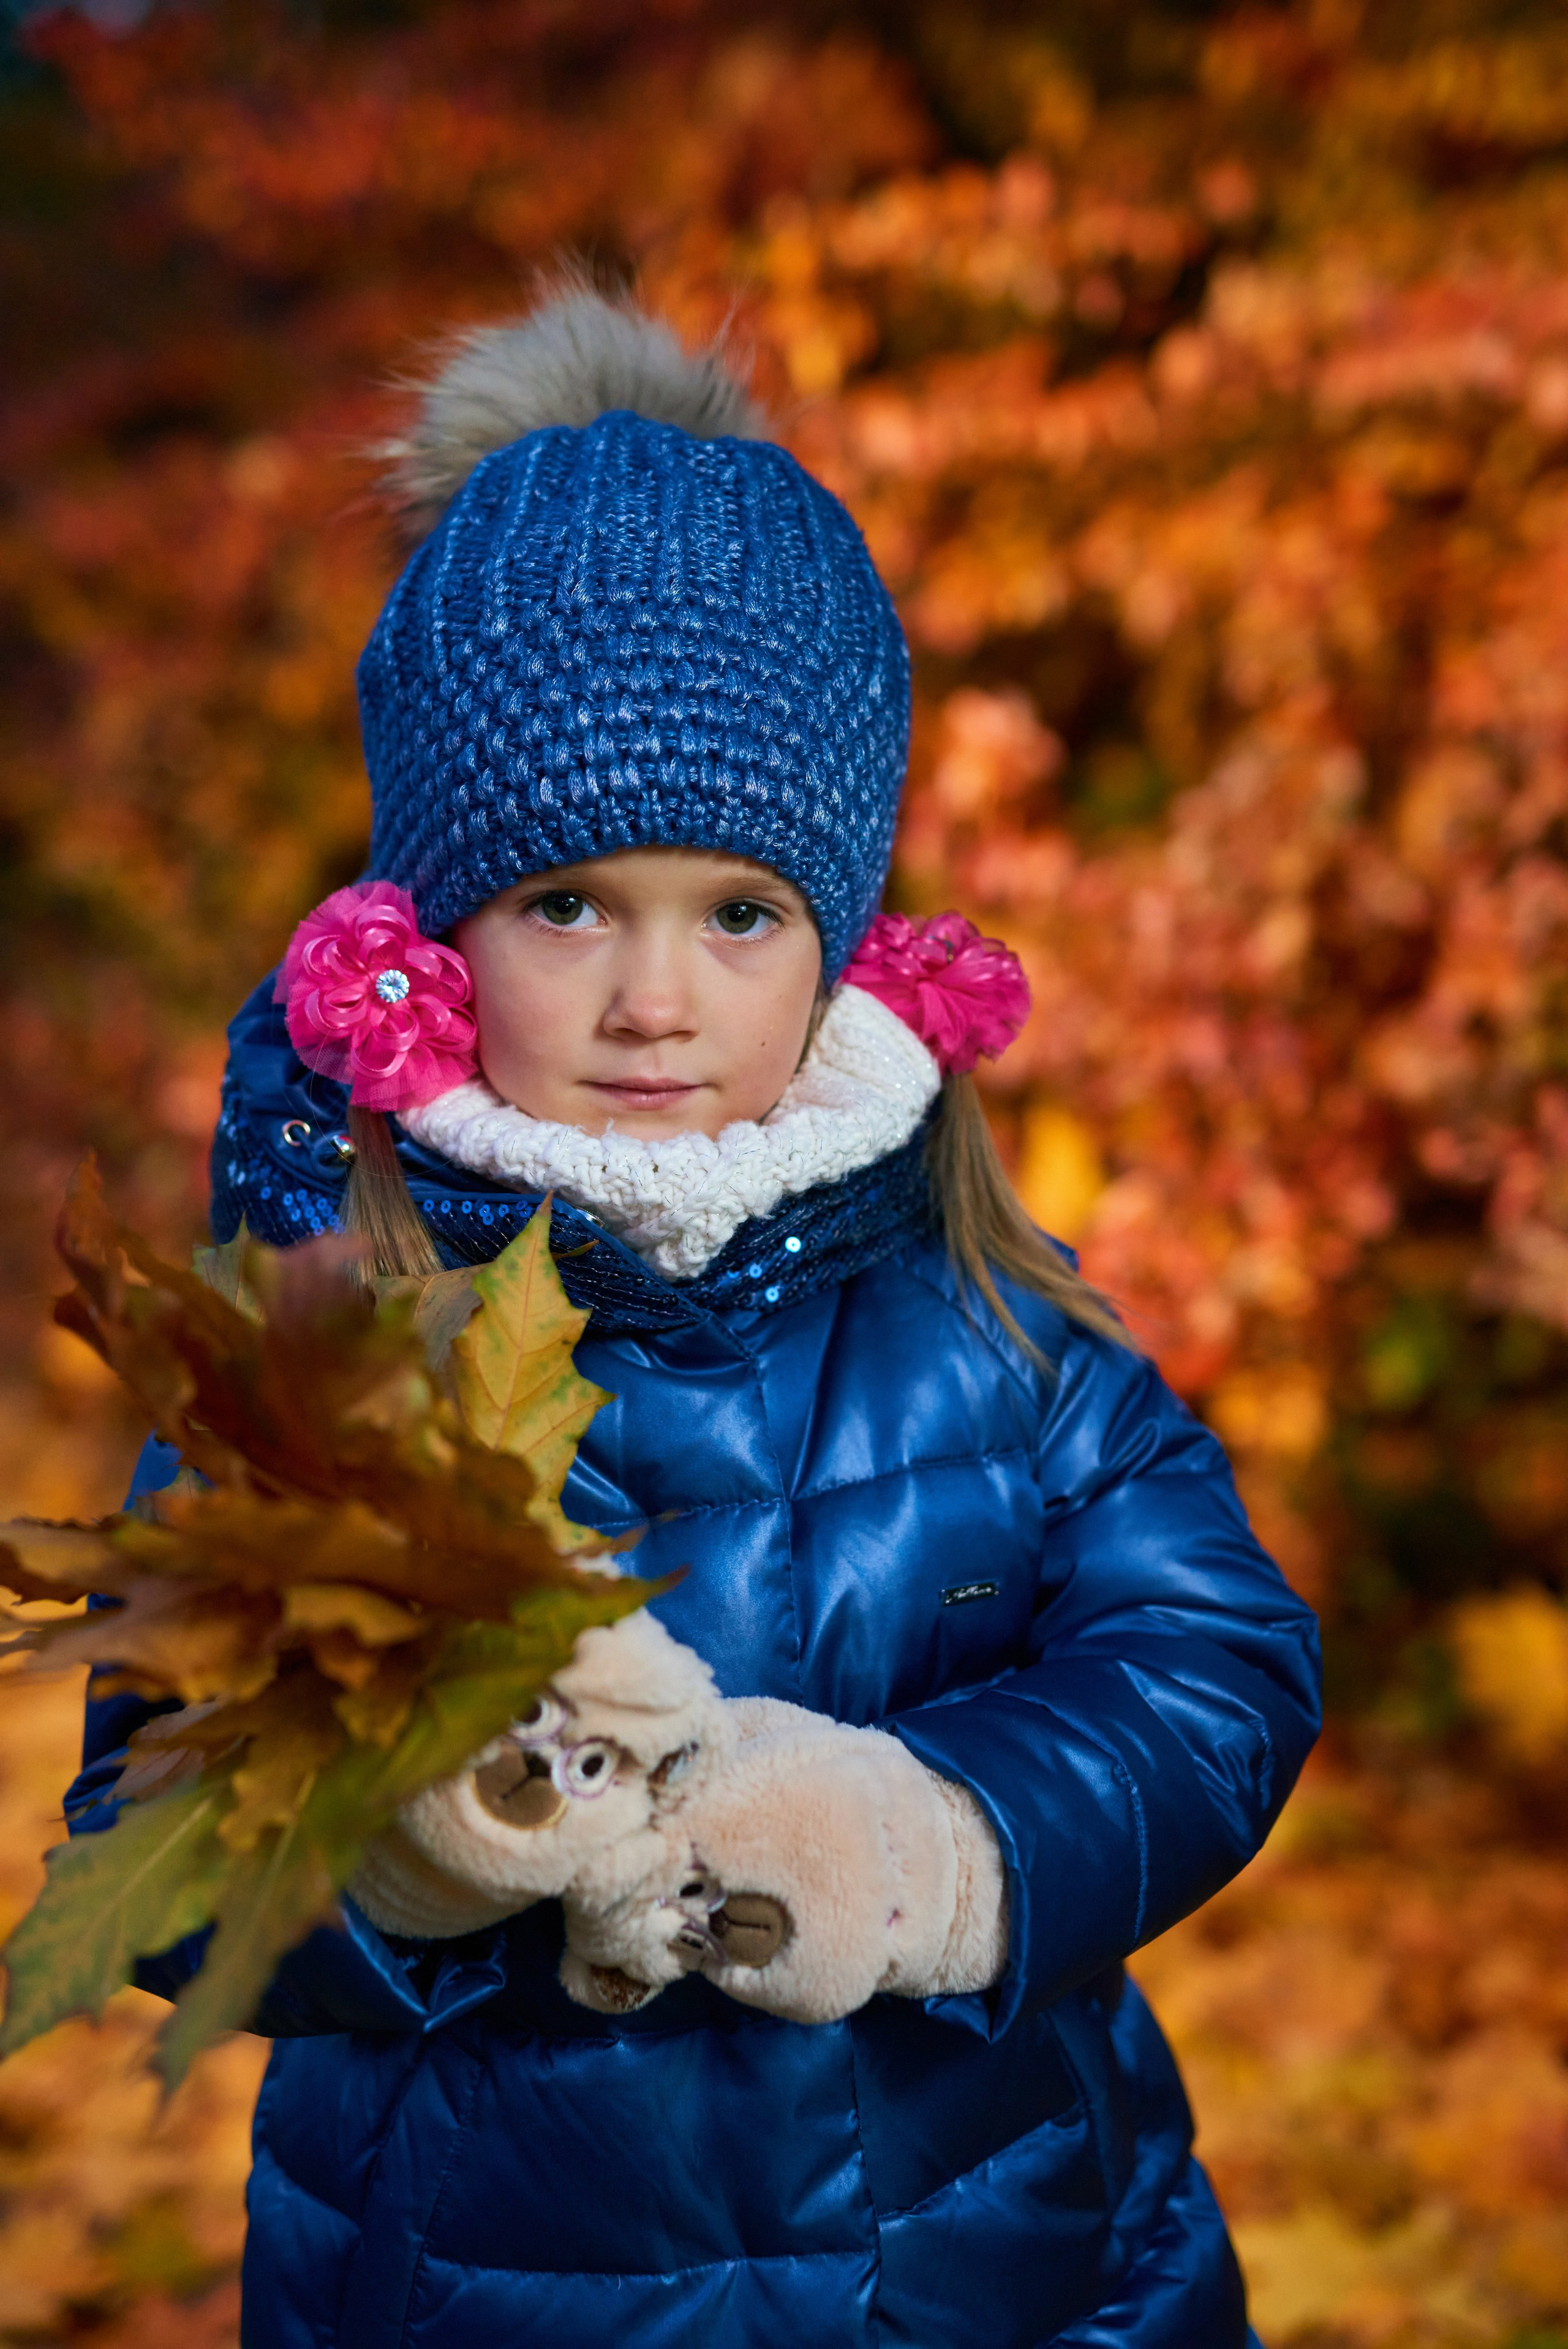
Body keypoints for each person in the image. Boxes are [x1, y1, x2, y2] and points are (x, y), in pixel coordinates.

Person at [67, 285, 1319, 2349]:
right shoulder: (320, 1349)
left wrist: (931, 1843)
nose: (656, 1001)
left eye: (740, 913)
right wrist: (414, 1850)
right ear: (436, 936)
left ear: (837, 944)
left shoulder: (983, 1315)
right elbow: (155, 1823)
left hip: (998, 2273)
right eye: (568, 904)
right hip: (474, 2291)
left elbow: (1217, 1663)